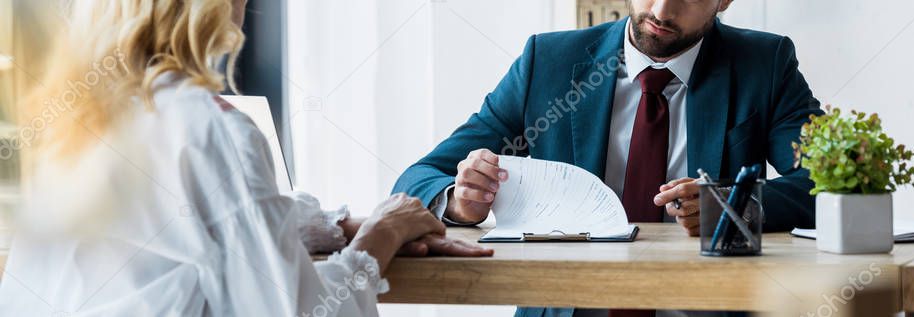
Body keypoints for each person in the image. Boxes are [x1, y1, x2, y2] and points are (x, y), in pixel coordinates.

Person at [0, 0, 492, 316]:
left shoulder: (73, 114)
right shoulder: (210, 127)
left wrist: (342, 226)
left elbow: (204, 222)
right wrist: (378, 237)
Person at [393, 0, 823, 316]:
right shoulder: (549, 62)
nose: (661, 9)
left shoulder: (765, 65)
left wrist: (730, 205)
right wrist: (457, 200)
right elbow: (419, 177)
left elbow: (833, 184)